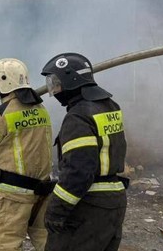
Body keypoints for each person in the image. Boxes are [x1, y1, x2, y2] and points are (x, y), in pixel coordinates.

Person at [40, 53, 128, 251]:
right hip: (114, 201)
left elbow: (79, 171)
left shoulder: (78, 116)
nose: (55, 89)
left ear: (71, 79)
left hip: (90, 206)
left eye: (57, 83)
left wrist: (57, 209)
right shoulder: (109, 106)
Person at [0, 58, 54, 251]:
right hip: (42, 191)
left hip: (12, 197)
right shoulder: (41, 110)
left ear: (4, 82)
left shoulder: (0, 114)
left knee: (6, 246)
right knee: (48, 244)